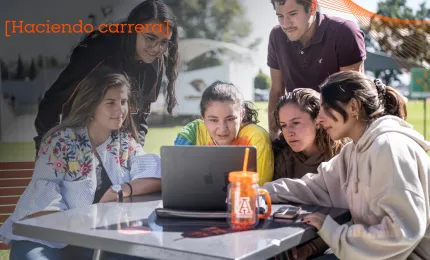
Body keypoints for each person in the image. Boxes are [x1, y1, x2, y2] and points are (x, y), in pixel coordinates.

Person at [263, 71, 430, 260]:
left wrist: (333, 231)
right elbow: (315, 186)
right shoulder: (353, 151)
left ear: (353, 106)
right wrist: (260, 193)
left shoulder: (389, 147)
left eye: (326, 108)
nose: (319, 118)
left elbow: (402, 231)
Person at [0, 66, 162, 260]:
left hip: (96, 241)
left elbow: (154, 177)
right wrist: (85, 224)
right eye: (111, 102)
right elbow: (41, 204)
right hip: (44, 238)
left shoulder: (123, 143)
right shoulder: (60, 142)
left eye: (124, 102)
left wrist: (120, 189)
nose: (120, 110)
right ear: (91, 105)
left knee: (148, 255)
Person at [34, 0, 179, 153]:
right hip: (76, 147)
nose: (157, 48)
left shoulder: (155, 63)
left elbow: (140, 117)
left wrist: (136, 151)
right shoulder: (98, 51)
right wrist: (49, 148)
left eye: (164, 42)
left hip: (117, 153)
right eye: (150, 38)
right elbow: (53, 103)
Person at [267, 0, 366, 139]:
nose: (286, 24)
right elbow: (277, 91)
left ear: (312, 7)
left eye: (293, 14)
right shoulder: (276, 36)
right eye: (280, 16)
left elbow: (351, 95)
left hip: (338, 130)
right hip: (298, 130)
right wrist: (274, 138)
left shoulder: (344, 31)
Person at [174, 81, 274, 186]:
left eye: (230, 119)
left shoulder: (256, 138)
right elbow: (178, 179)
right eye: (213, 120)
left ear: (242, 114)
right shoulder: (193, 132)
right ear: (202, 117)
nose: (222, 129)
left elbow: (258, 190)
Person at [272, 88, 347, 180]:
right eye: (283, 125)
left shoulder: (344, 154)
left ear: (317, 121)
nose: (288, 132)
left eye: (296, 123)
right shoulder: (283, 160)